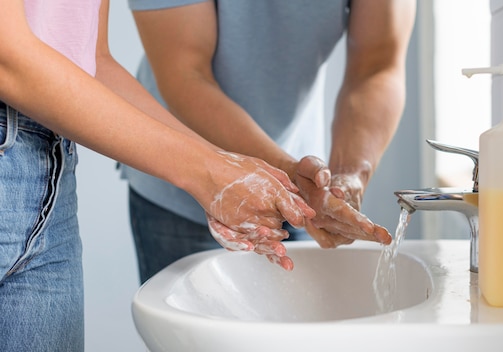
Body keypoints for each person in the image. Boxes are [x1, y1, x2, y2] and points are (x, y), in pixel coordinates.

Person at [0, 1, 325, 350]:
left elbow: (93, 62)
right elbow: (8, 57)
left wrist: (222, 166)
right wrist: (209, 174)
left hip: (53, 174)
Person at [123, 0, 416, 283]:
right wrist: (287, 174)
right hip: (184, 186)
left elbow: (377, 64)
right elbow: (185, 72)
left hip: (302, 185)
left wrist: (348, 177)